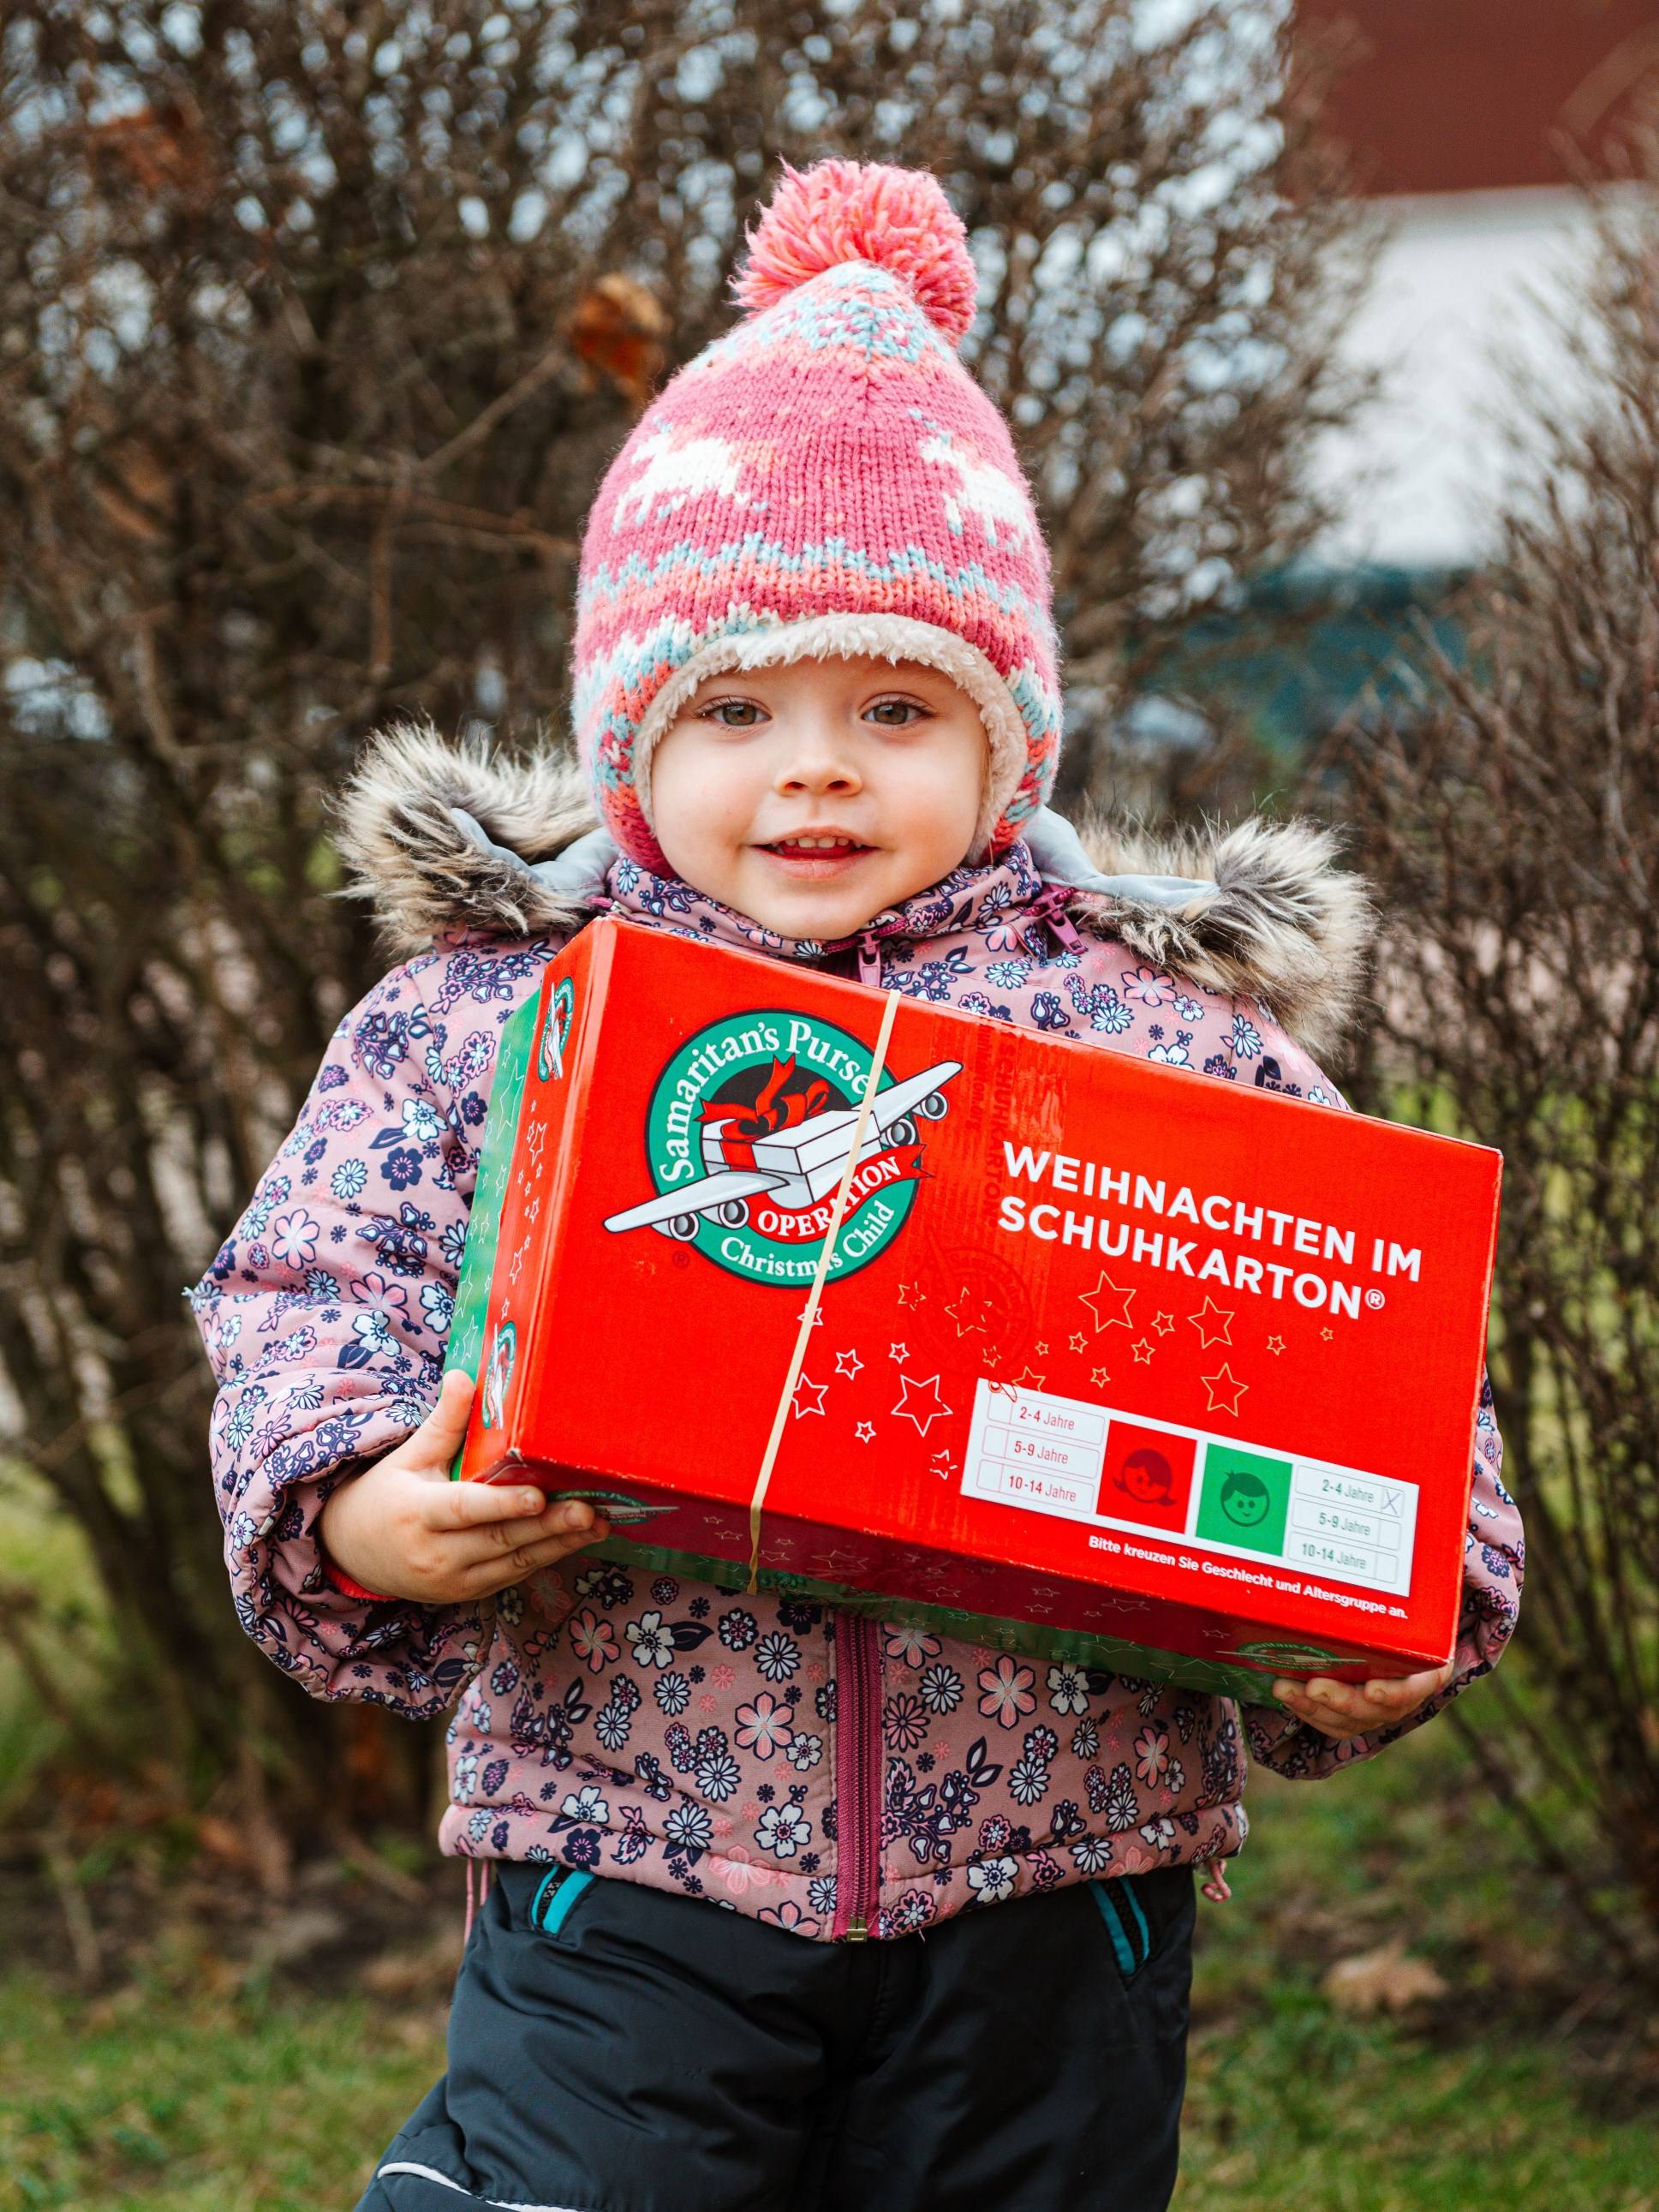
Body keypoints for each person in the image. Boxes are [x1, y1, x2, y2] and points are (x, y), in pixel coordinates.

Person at [184, 158, 1524, 2212]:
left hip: (1061, 1883)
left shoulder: (1148, 1034)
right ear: (632, 732)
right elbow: (308, 1282)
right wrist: (352, 1496)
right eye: (736, 709)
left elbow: (1370, 1338)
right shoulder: (500, 1015)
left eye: (897, 707)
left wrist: (1419, 1599)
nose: (814, 770)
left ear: (1011, 744)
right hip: (622, 1852)